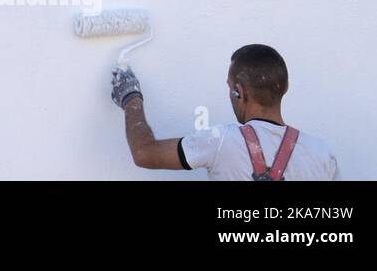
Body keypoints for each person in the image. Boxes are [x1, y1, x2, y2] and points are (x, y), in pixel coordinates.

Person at [111, 43, 338, 180]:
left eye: (230, 88)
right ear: (286, 88)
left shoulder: (222, 142)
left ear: (240, 92)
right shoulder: (321, 154)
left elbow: (145, 153)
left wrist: (131, 97)